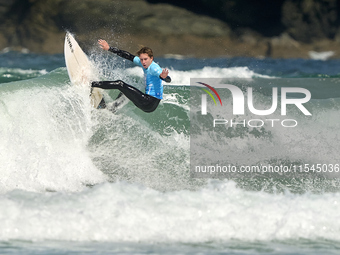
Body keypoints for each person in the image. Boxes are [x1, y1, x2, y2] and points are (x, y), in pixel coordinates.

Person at [91, 39, 171, 113]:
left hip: (148, 102)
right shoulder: (143, 63)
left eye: (145, 59)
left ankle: (92, 84)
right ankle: (111, 110)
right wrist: (109, 48)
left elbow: (168, 79)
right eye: (141, 59)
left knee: (120, 84)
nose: (143, 62)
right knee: (126, 91)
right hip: (149, 103)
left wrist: (164, 77)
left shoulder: (154, 68)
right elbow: (127, 55)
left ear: (151, 58)